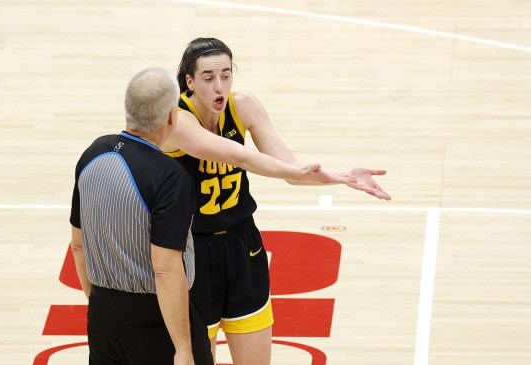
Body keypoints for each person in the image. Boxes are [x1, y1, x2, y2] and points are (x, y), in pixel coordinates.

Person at [159, 37, 391, 365]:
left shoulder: (244, 106)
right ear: (190, 82)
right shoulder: (177, 120)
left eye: (226, 75)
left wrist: (339, 176)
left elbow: (291, 170)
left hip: (243, 246)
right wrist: (297, 171)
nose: (219, 86)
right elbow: (242, 157)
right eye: (209, 78)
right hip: (193, 252)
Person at [69, 67, 213, 365]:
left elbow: (78, 246)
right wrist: (183, 350)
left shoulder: (92, 154)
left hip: (102, 317)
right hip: (156, 320)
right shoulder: (169, 176)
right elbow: (166, 270)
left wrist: (99, 304)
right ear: (172, 117)